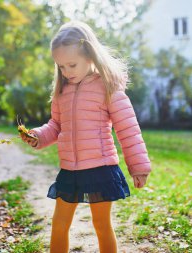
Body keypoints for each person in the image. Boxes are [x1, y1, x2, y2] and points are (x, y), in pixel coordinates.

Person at [20, 20, 152, 253]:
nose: (66, 72)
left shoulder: (108, 87)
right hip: (69, 170)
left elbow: (128, 129)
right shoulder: (62, 92)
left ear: (90, 56)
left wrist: (138, 167)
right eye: (61, 67)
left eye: (71, 65)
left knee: (101, 225)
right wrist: (38, 136)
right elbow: (56, 125)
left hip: (100, 169)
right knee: (59, 224)